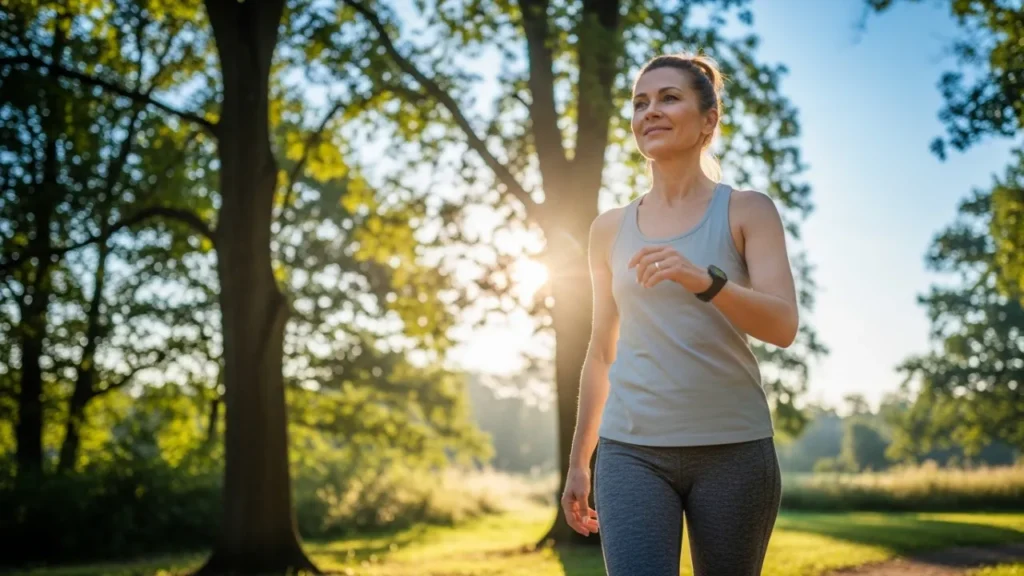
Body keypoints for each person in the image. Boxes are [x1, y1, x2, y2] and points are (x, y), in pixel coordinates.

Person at [560, 52, 799, 576]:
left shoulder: (747, 210)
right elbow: (602, 352)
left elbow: (783, 325)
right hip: (631, 451)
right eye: (640, 103)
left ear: (709, 120)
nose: (650, 111)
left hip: (733, 448)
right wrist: (579, 461)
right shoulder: (609, 229)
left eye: (669, 98)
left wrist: (705, 281)